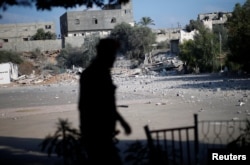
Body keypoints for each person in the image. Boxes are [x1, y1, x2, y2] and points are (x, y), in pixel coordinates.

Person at [78, 38, 131, 165]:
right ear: (104, 53)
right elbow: (92, 107)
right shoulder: (94, 74)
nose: (114, 58)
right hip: (97, 135)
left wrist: (122, 122)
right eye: (112, 54)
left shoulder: (102, 72)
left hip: (102, 134)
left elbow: (108, 105)